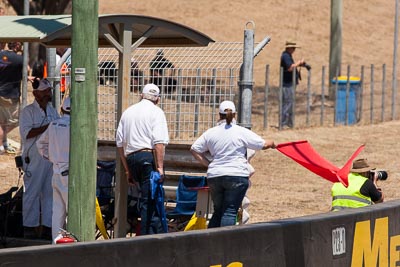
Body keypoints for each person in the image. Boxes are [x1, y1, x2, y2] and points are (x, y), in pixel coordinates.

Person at [190, 100, 276, 228]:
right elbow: (263, 144)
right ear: (235, 114)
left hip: (215, 176)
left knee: (218, 211)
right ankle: (225, 243)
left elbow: (194, 149)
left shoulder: (211, 132)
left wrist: (209, 164)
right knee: (229, 212)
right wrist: (272, 143)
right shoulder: (240, 131)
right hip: (236, 175)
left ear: (219, 115)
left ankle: (209, 241)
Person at [116, 83, 169, 235]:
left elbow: (120, 144)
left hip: (131, 158)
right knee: (150, 201)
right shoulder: (157, 112)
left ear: (141, 95)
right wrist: (159, 167)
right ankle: (147, 238)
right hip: (147, 158)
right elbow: (159, 143)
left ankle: (144, 233)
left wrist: (127, 170)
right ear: (157, 99)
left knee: (144, 200)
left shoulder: (128, 112)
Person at [19, 79, 59, 239]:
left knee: (49, 193)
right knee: (32, 193)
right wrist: (49, 127)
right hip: (33, 159)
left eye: (49, 91)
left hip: (49, 158)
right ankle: (29, 227)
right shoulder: (27, 112)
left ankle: (48, 227)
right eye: (45, 91)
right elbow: (27, 134)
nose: (48, 94)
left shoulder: (52, 111)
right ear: (36, 94)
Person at [37, 97, 71, 243]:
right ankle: (74, 243)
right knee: (72, 210)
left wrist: (50, 157)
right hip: (69, 173)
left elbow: (40, 144)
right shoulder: (75, 127)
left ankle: (55, 243)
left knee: (57, 211)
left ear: (62, 109)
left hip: (56, 171)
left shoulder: (53, 124)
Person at [0, 42, 24, 154]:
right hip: (11, 95)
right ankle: (1, 143)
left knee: (2, 121)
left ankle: (3, 144)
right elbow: (27, 70)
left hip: (2, 93)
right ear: (18, 46)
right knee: (14, 121)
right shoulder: (19, 59)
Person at [280, 41, 305, 129]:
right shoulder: (285, 56)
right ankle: (283, 123)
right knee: (287, 103)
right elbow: (290, 68)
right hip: (287, 84)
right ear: (289, 48)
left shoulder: (288, 56)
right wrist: (299, 63)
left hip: (290, 83)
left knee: (290, 103)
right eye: (293, 48)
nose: (294, 50)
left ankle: (289, 123)